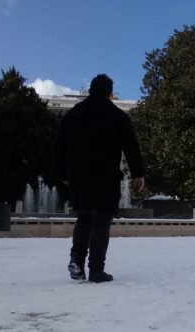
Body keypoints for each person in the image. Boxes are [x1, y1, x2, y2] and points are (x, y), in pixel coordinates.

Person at [57, 74, 145, 283]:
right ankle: (96, 270)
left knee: (84, 218)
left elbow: (60, 147)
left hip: (79, 176)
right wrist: (138, 173)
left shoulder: (73, 115)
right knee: (102, 221)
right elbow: (131, 147)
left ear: (90, 90)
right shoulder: (117, 116)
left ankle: (77, 260)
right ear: (110, 93)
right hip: (106, 176)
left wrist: (63, 175)